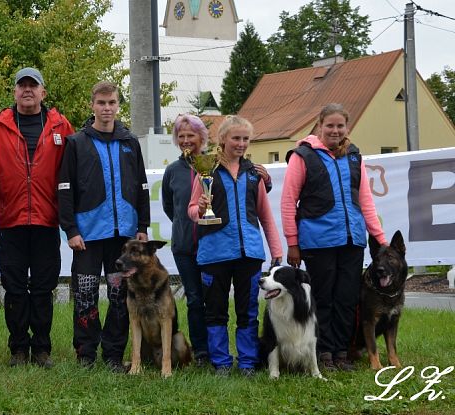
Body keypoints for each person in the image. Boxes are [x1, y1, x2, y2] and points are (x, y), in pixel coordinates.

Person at [0, 67, 74, 368]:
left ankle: (42, 349)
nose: (28, 90)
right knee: (15, 289)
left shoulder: (61, 125)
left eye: (34, 86)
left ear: (43, 92)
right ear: (15, 91)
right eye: (22, 85)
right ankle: (19, 348)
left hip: (47, 222)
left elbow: (71, 173)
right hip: (11, 221)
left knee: (44, 289)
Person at [281, 103, 386, 371]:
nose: (335, 130)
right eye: (330, 125)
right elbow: (288, 201)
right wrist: (292, 242)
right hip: (318, 241)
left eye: (340, 126)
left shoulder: (354, 156)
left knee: (347, 299)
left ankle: (342, 351)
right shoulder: (302, 155)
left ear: (347, 127)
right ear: (319, 125)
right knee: (323, 298)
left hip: (352, 241)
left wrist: (380, 239)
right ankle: (323, 352)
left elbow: (365, 200)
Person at [58, 81, 149, 373]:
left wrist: (142, 226)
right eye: (101, 103)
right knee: (85, 296)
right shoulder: (76, 142)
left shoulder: (130, 142)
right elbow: (64, 189)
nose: (106, 108)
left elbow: (142, 187)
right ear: (92, 105)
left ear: (118, 105)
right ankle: (85, 354)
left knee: (119, 296)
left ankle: (112, 354)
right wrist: (71, 230)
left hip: (122, 237)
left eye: (111, 103)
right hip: (87, 235)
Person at [188, 115, 282, 377]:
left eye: (245, 139)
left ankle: (248, 362)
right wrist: (201, 208)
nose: (241, 144)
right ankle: (221, 362)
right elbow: (192, 210)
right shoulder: (206, 170)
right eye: (236, 138)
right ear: (223, 139)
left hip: (249, 253)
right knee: (215, 311)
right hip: (214, 252)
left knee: (248, 311)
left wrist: (276, 250)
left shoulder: (254, 174)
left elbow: (264, 214)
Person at [160, 113, 210, 366]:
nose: (186, 140)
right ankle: (201, 352)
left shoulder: (214, 165)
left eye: (191, 135)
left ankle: (218, 349)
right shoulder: (172, 171)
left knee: (213, 299)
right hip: (184, 246)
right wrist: (183, 222)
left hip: (213, 246)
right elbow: (170, 206)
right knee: (194, 299)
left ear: (202, 137)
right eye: (181, 136)